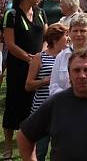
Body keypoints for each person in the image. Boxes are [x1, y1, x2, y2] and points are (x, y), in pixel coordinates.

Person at [3, 0, 46, 160]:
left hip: (38, 64)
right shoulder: (11, 14)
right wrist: (29, 59)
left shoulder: (41, 13)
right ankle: (7, 146)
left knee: (34, 104)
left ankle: (32, 144)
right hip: (18, 66)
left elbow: (46, 37)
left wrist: (40, 57)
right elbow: (10, 44)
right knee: (14, 104)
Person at [23, 22, 68, 160]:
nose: (69, 38)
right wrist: (45, 80)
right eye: (66, 35)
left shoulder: (69, 57)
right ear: (55, 39)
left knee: (63, 149)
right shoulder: (39, 57)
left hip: (63, 109)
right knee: (40, 150)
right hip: (42, 109)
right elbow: (28, 85)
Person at [49, 12, 87, 95]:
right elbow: (54, 86)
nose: (78, 34)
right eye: (75, 31)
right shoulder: (61, 56)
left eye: (82, 31)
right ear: (69, 33)